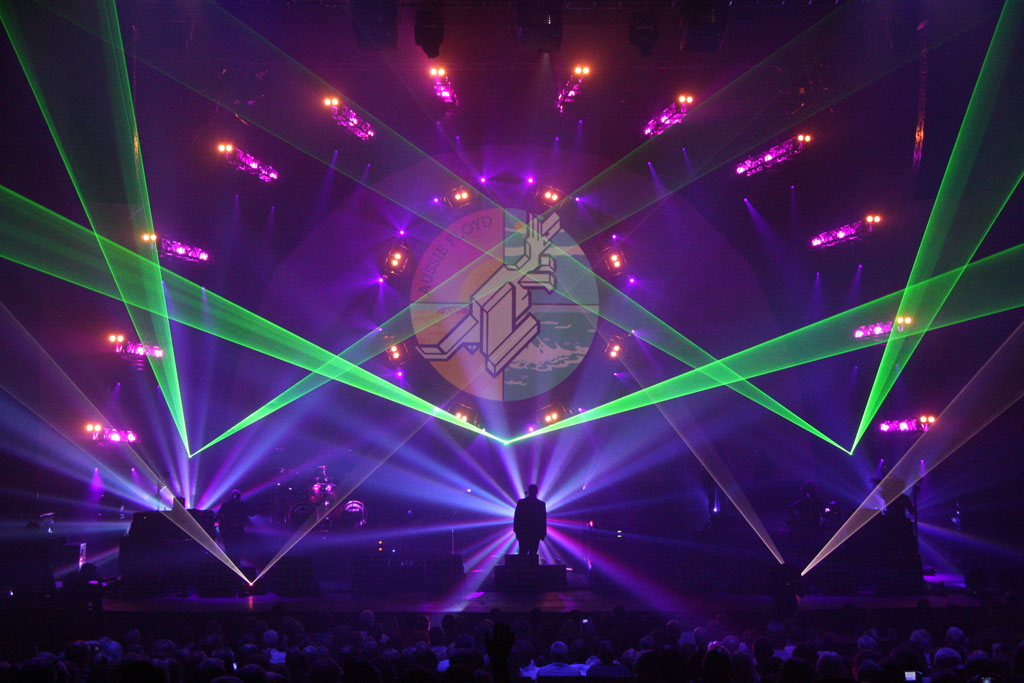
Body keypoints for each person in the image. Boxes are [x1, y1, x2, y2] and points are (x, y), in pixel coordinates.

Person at [217, 489, 251, 566]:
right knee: (231, 546)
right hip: (229, 530)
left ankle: (235, 563)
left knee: (236, 546)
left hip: (236, 530)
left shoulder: (241, 505)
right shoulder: (227, 505)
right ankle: (232, 563)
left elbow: (247, 514)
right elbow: (220, 515)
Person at [513, 484, 546, 557]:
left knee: (524, 554)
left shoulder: (522, 503)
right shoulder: (541, 504)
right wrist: (542, 533)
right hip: (533, 533)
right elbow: (543, 519)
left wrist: (516, 531)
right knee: (530, 555)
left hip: (526, 533)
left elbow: (517, 517)